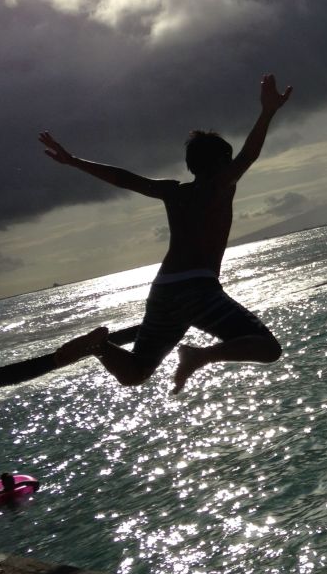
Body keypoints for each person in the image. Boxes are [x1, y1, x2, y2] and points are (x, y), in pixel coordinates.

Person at [41, 73, 292, 395]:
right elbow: (250, 154)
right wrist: (268, 111)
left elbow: (123, 179)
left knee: (135, 372)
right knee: (268, 349)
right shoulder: (219, 187)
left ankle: (99, 347)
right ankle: (199, 355)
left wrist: (74, 161)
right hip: (198, 289)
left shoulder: (173, 192)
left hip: (164, 291)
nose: (234, 168)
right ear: (222, 163)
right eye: (228, 162)